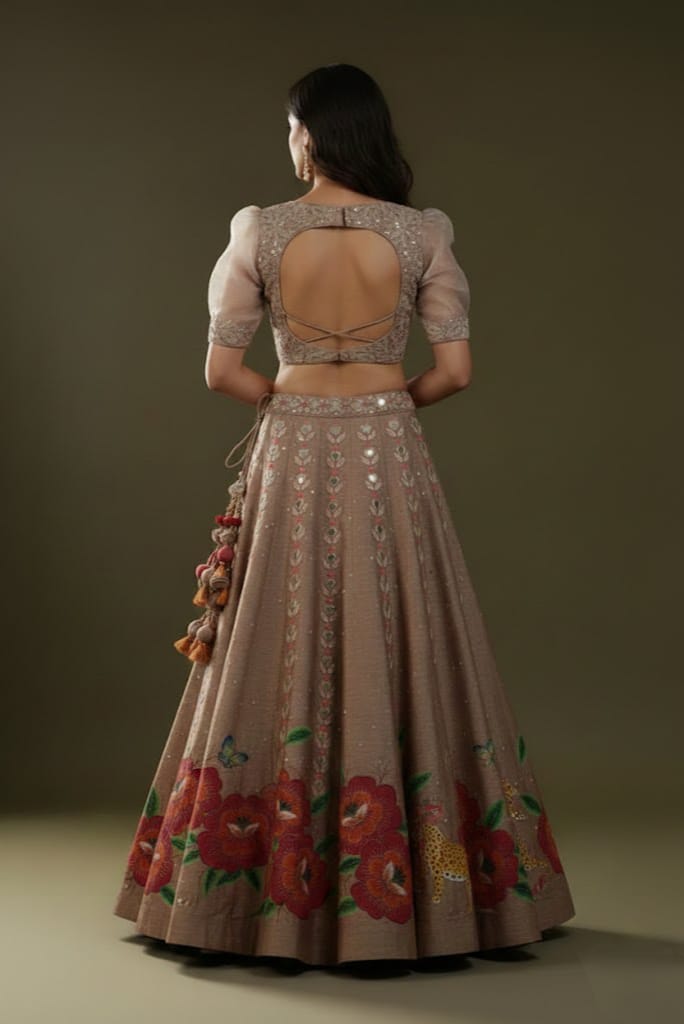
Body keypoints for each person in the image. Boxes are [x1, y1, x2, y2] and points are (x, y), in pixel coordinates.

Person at [112, 63, 575, 967]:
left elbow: (220, 371)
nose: (289, 141)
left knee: (268, 643)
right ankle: (443, 888)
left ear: (310, 134)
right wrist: (383, 406)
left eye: (291, 127)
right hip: (387, 450)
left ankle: (232, 903)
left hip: (289, 448)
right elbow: (455, 371)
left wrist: (290, 406)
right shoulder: (421, 232)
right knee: (411, 639)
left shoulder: (258, 229)